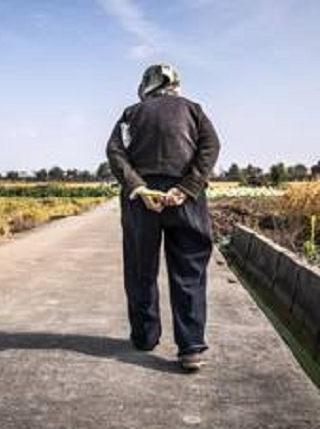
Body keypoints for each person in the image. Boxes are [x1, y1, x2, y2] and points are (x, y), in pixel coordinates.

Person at [106, 64, 221, 371]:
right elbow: (211, 146)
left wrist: (139, 187)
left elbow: (115, 152)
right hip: (185, 199)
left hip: (142, 201)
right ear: (174, 85)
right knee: (189, 271)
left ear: (147, 86)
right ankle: (191, 347)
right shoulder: (194, 110)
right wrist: (187, 188)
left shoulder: (131, 114)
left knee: (140, 269)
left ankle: (145, 337)